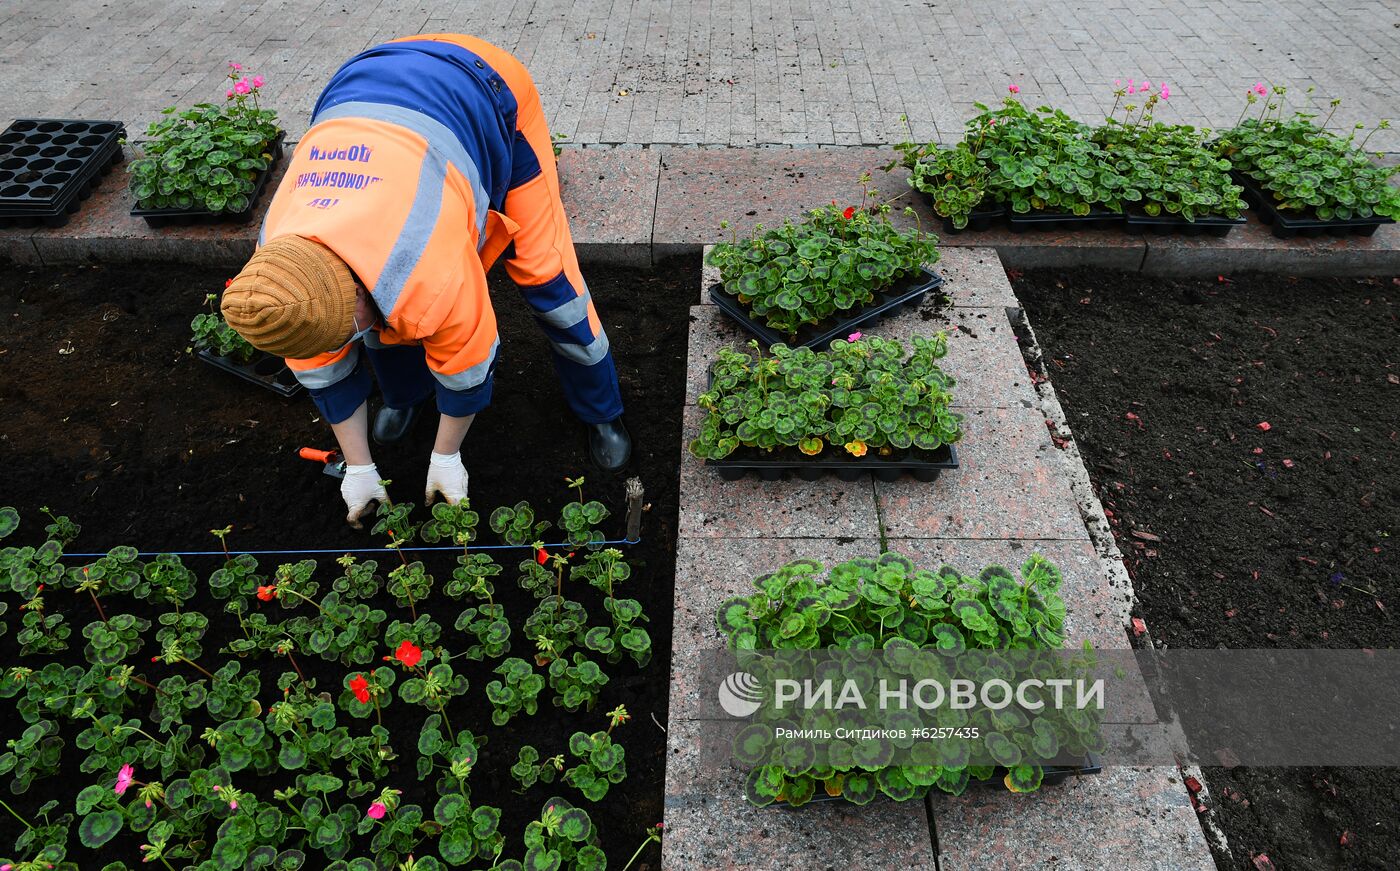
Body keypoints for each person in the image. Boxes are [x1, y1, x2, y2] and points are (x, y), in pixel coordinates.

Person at [220, 34, 630, 528]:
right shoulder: (283, 279)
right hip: (360, 89)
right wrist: (359, 467)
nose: (348, 342)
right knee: (385, 319)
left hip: (484, 90)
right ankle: (405, 397)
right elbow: (323, 363)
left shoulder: (427, 266)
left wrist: (446, 457)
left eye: (349, 331)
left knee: (547, 276)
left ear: (354, 291)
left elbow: (466, 361)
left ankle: (600, 409)